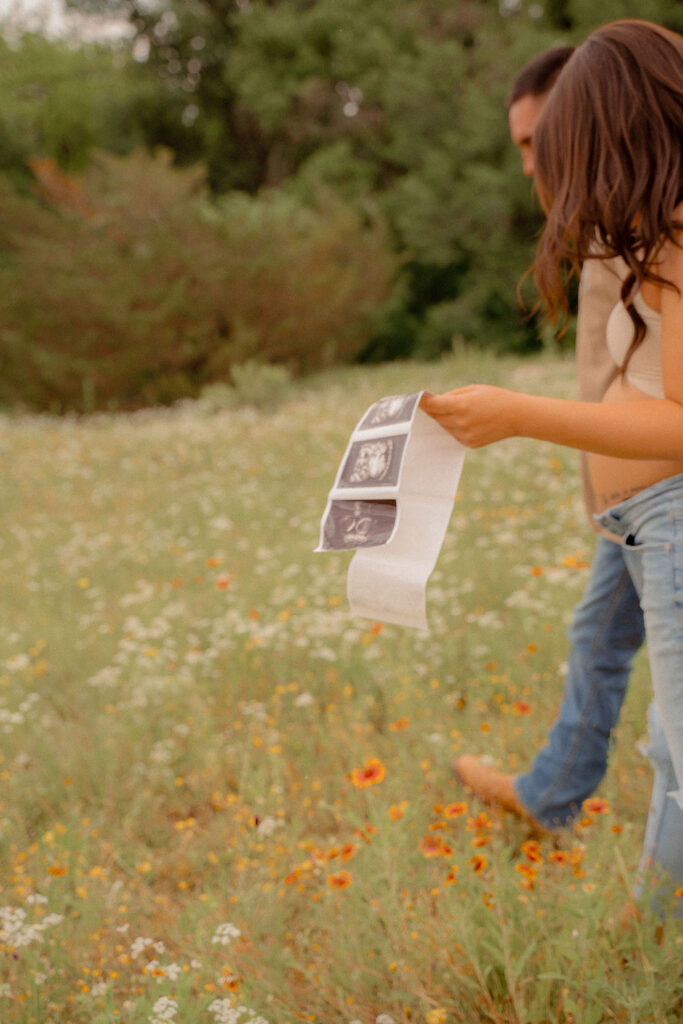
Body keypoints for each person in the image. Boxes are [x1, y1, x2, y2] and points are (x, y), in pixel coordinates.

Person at [424, 19, 683, 902]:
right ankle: (556, 804)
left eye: (557, 148)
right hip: (643, 518)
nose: (546, 173)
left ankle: (649, 946)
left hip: (669, 512)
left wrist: (517, 415)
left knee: (678, 755)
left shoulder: (672, 235)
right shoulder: (648, 231)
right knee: (654, 721)